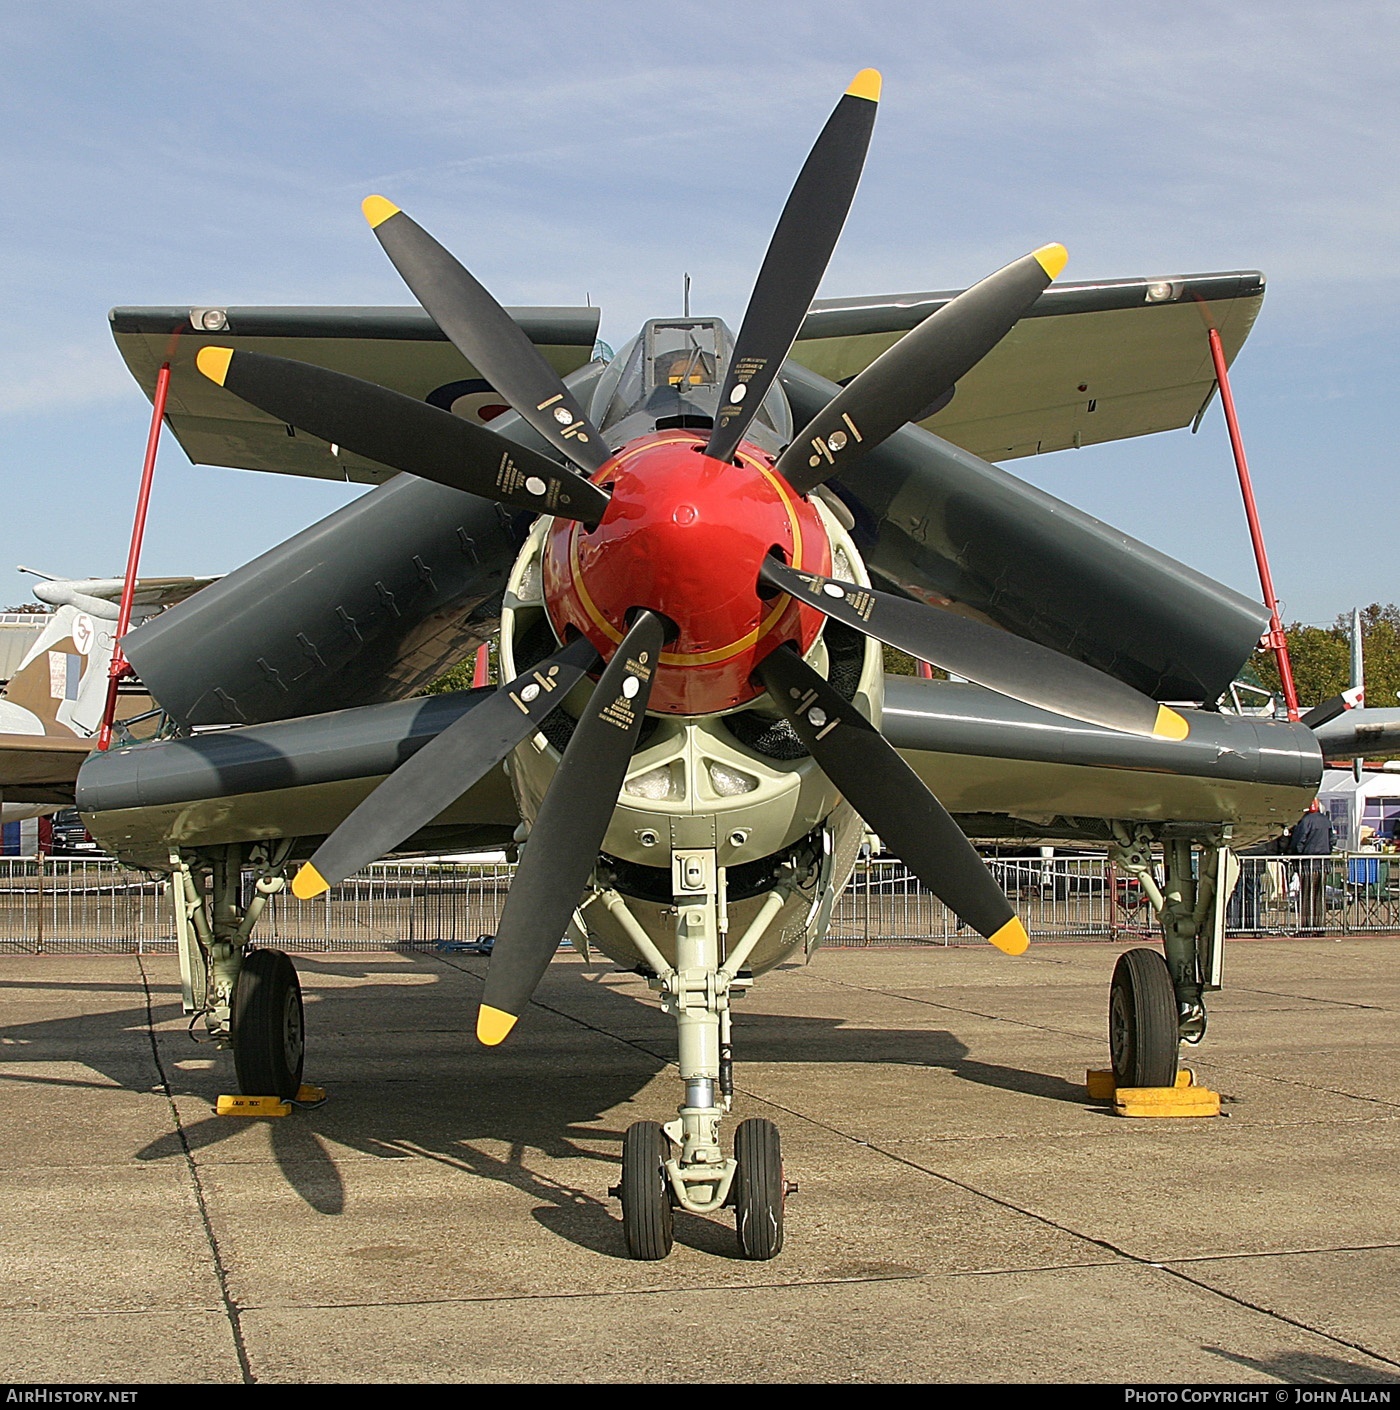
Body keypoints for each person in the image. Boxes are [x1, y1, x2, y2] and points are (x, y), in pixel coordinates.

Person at [1287, 800, 1335, 933]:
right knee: (1319, 895)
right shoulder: (1326, 821)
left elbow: (1299, 841)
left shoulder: (1306, 821)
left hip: (1308, 863)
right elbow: (1332, 840)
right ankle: (1319, 925)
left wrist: (1295, 854)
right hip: (1323, 862)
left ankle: (1307, 926)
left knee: (1306, 895)